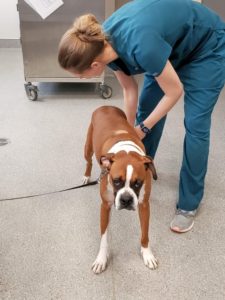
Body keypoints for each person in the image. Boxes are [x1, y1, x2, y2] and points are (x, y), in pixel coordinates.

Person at [58, 0, 225, 233]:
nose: (80, 80)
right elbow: (129, 90)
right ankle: (136, 172)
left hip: (206, 47)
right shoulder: (102, 44)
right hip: (170, 45)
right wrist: (130, 130)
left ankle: (188, 204)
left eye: (79, 75)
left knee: (196, 124)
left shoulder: (142, 46)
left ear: (94, 66)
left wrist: (143, 128)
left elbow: (174, 91)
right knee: (145, 111)